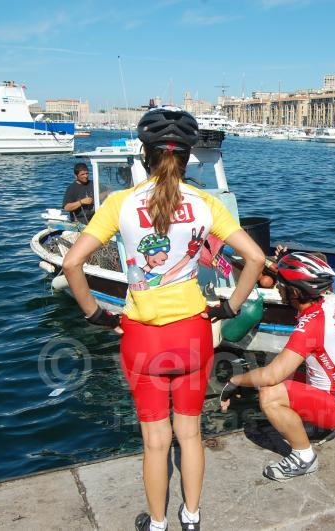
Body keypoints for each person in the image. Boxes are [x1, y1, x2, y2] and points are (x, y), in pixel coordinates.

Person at [62, 107, 265, 531]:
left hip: (142, 339)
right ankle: (191, 517)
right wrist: (228, 307)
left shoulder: (121, 203)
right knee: (189, 434)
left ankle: (157, 524)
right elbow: (256, 258)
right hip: (192, 333)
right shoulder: (207, 204)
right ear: (188, 157)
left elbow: (72, 264)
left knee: (156, 443)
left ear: (144, 155)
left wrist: (96, 314)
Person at [220, 251, 335, 481]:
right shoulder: (326, 305)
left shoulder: (309, 326)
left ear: (296, 293)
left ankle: (303, 458)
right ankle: (320, 427)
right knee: (280, 373)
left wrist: (234, 381)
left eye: (282, 285)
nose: (278, 288)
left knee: (269, 392)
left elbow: (269, 377)